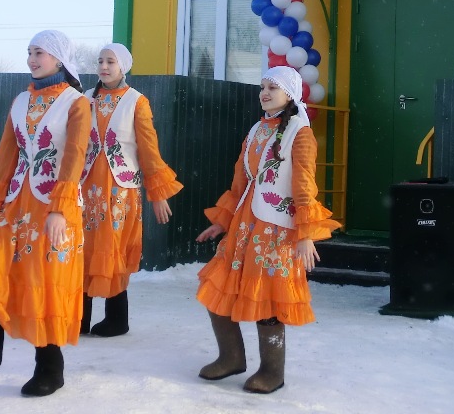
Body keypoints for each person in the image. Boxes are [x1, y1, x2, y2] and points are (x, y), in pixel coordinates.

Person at [0, 30, 89, 397]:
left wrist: (60, 209)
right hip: (14, 206)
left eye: (39, 52)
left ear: (58, 58)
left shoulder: (76, 103)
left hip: (54, 207)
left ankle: (50, 368)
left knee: (45, 285)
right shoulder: (20, 101)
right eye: (28, 52)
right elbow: (6, 160)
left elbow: (74, 157)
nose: (31, 58)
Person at [195, 66, 340, 394]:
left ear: (290, 93)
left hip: (277, 227)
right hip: (244, 224)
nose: (265, 92)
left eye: (273, 87)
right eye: (262, 86)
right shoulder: (257, 129)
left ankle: (272, 370)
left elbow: (304, 186)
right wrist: (221, 221)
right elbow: (240, 181)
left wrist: (305, 234)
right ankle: (231, 357)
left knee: (268, 298)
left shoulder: (300, 133)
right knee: (217, 286)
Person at [79, 43, 182, 337]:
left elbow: (148, 150)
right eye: (100, 61)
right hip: (86, 187)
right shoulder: (85, 100)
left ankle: (117, 319)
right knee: (82, 247)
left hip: (120, 190)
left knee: (112, 249)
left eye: (110, 61)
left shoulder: (137, 101)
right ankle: (79, 316)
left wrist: (158, 193)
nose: (104, 66)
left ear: (123, 66)